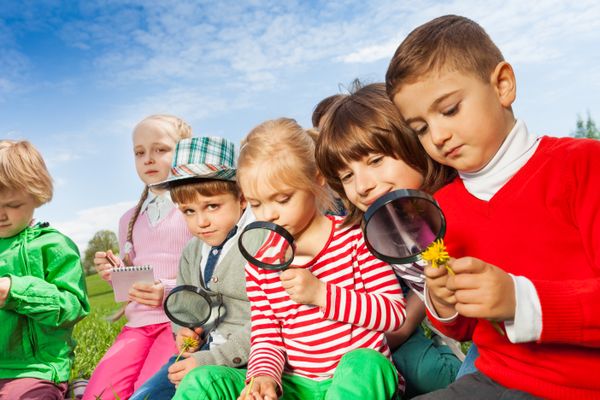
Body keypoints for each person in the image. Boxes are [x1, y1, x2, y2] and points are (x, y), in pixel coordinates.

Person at [385, 14, 600, 399]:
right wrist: (443, 302)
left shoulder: (583, 166)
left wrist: (521, 301)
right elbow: (463, 329)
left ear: (502, 85)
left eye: (450, 109)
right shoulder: (441, 208)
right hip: (490, 380)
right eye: (420, 128)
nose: (438, 136)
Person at [174, 118, 407, 400]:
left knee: (367, 363)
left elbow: (394, 314)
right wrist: (264, 377)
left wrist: (322, 294)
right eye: (257, 204)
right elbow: (266, 335)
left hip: (354, 380)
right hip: (296, 387)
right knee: (202, 381)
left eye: (282, 199)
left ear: (317, 179)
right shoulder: (260, 262)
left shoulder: (356, 238)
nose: (269, 214)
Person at [315, 82, 462, 398]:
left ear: (412, 140)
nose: (362, 186)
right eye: (347, 176)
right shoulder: (385, 229)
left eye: (375, 160)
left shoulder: (458, 205)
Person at [130, 136, 260, 400]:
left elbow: (269, 319)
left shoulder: (258, 240)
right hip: (200, 354)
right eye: (189, 211)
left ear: (242, 198)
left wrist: (211, 359)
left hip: (249, 360)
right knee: (145, 396)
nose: (201, 222)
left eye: (212, 206)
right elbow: (186, 308)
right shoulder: (192, 251)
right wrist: (183, 332)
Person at [84, 114, 193, 400]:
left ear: (183, 152)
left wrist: (166, 290)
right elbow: (134, 279)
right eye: (139, 152)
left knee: (147, 393)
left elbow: (209, 271)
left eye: (160, 149)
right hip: (138, 324)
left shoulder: (194, 209)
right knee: (100, 394)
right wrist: (114, 272)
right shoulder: (128, 219)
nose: (148, 159)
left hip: (179, 322)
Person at [0, 140, 90, 400]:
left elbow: (73, 307)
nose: (1, 214)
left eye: (13, 205)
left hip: (35, 369)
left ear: (36, 196)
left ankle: (75, 387)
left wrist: (16, 292)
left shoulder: (54, 246)